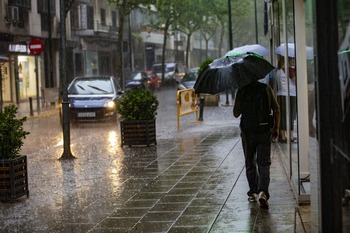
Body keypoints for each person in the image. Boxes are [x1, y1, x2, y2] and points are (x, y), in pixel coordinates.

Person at [233, 80, 280, 208]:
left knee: (250, 162)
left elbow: (236, 113)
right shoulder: (266, 88)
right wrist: (276, 127)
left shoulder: (242, 90)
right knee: (264, 163)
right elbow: (276, 109)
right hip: (264, 130)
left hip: (247, 133)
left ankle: (252, 192)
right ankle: (263, 192)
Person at [275, 56, 297, 143]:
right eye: (291, 59)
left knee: (283, 115)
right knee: (291, 115)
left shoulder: (278, 71)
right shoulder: (289, 69)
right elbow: (295, 81)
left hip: (280, 94)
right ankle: (291, 136)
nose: (292, 61)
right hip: (290, 94)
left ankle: (283, 136)